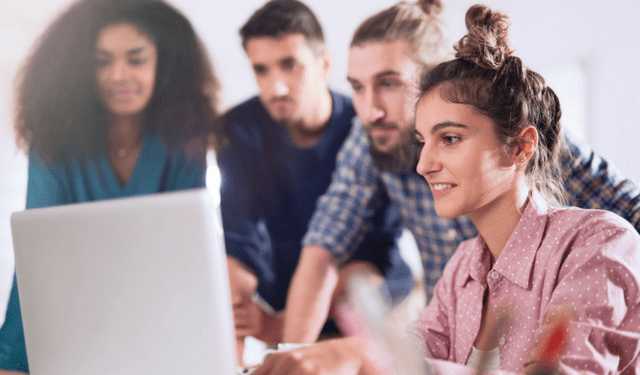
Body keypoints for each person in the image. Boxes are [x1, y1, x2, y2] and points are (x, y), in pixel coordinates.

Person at [253, 4, 640, 374]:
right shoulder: (461, 272)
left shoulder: (602, 245)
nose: (423, 165)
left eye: (450, 139)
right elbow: (328, 250)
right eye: (423, 141)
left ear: (522, 147)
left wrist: (361, 355)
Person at [0, 0, 221, 372]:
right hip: (66, 330)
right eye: (103, 61)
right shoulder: (54, 141)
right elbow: (37, 265)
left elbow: (188, 263)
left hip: (161, 334)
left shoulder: (186, 143)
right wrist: (15, 362)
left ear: (164, 66)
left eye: (136, 59)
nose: (118, 75)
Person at [217, 0, 415, 365]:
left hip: (363, 289)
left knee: (357, 289)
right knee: (228, 295)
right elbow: (238, 234)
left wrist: (281, 329)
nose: (276, 87)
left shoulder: (366, 126)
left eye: (289, 65)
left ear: (324, 63)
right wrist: (235, 317)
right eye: (261, 70)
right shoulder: (239, 128)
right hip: (282, 295)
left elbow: (371, 252)